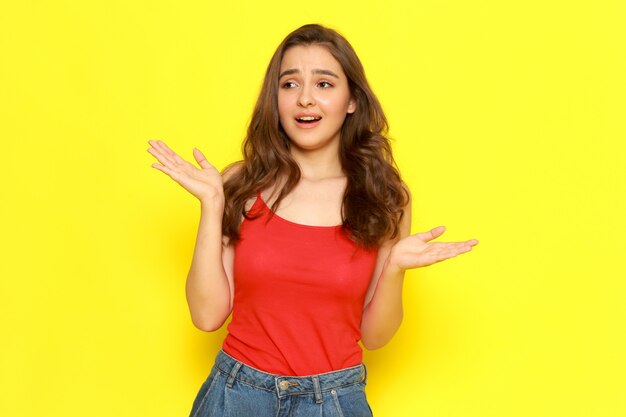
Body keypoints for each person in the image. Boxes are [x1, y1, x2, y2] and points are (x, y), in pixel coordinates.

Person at [147, 23, 478, 417]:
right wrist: (212, 205)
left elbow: (375, 336)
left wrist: (394, 269)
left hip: (335, 401)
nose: (305, 99)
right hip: (237, 395)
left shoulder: (384, 197)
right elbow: (206, 316)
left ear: (352, 100)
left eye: (324, 84)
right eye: (289, 85)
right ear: (276, 99)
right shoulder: (240, 182)